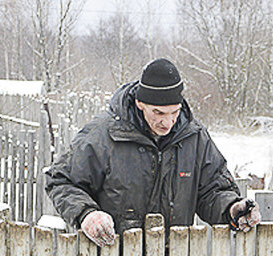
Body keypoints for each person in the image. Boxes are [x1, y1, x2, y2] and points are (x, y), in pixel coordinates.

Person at [44, 58, 261, 246]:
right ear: (140, 103)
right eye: (158, 112)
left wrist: (232, 207)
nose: (167, 122)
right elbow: (61, 180)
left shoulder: (194, 138)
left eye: (174, 112)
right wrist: (87, 214)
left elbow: (212, 190)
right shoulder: (103, 136)